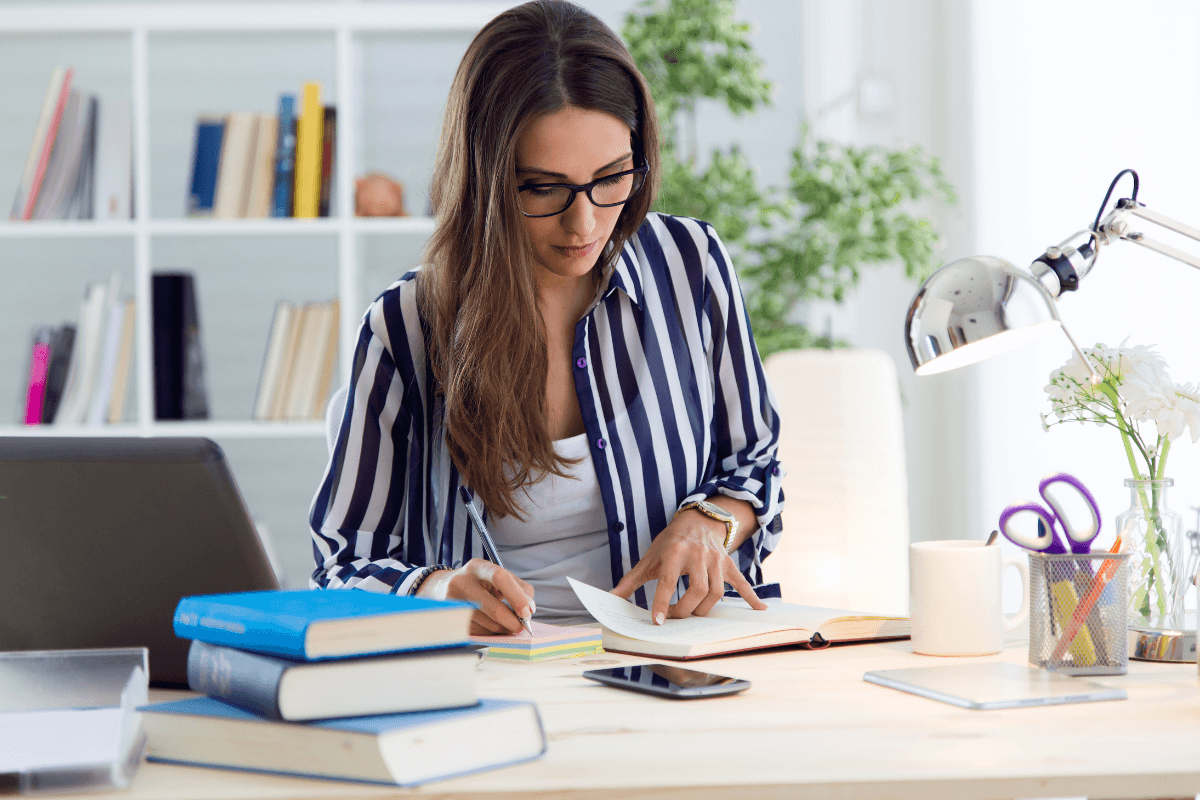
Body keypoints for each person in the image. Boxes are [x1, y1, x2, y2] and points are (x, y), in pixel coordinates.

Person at [309, 0, 783, 636]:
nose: (584, 223)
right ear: (484, 179)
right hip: (495, 681)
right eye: (543, 188)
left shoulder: (691, 264)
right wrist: (438, 589)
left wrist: (711, 522)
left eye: (611, 178)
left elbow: (755, 460)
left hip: (678, 660)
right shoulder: (406, 328)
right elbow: (344, 560)